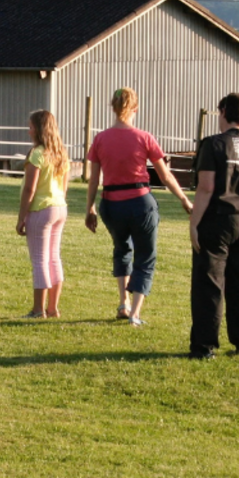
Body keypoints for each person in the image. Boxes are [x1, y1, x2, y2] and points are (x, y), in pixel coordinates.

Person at [85, 87, 193, 326]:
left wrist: (90, 207)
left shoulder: (100, 139)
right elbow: (165, 176)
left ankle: (123, 303)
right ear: (136, 108)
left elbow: (94, 179)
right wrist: (184, 199)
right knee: (145, 256)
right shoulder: (144, 138)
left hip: (111, 204)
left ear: (112, 107)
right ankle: (135, 313)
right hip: (140, 203)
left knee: (122, 249)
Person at [189, 93, 239, 360]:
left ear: (222, 111)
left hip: (219, 218)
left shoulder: (213, 144)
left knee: (209, 283)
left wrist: (194, 223)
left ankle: (204, 346)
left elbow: (206, 187)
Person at [16, 110, 70, 319]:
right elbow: (64, 187)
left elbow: (30, 188)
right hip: (59, 208)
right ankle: (53, 308)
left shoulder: (37, 154)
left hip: (41, 209)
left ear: (39, 130)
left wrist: (22, 216)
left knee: (39, 260)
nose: (28, 131)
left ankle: (38, 309)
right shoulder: (60, 154)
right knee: (54, 258)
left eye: (30, 127)